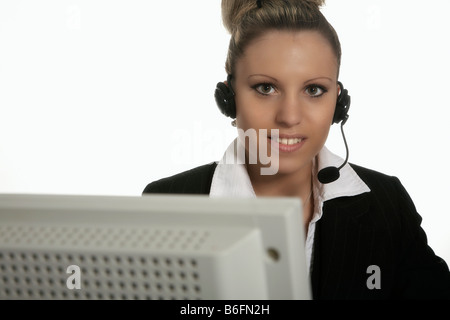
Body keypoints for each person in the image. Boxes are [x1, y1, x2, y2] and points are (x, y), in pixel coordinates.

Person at [143, 0, 450, 299]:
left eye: (314, 90)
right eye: (266, 88)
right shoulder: (166, 205)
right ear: (229, 97)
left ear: (338, 104)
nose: (290, 116)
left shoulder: (388, 206)